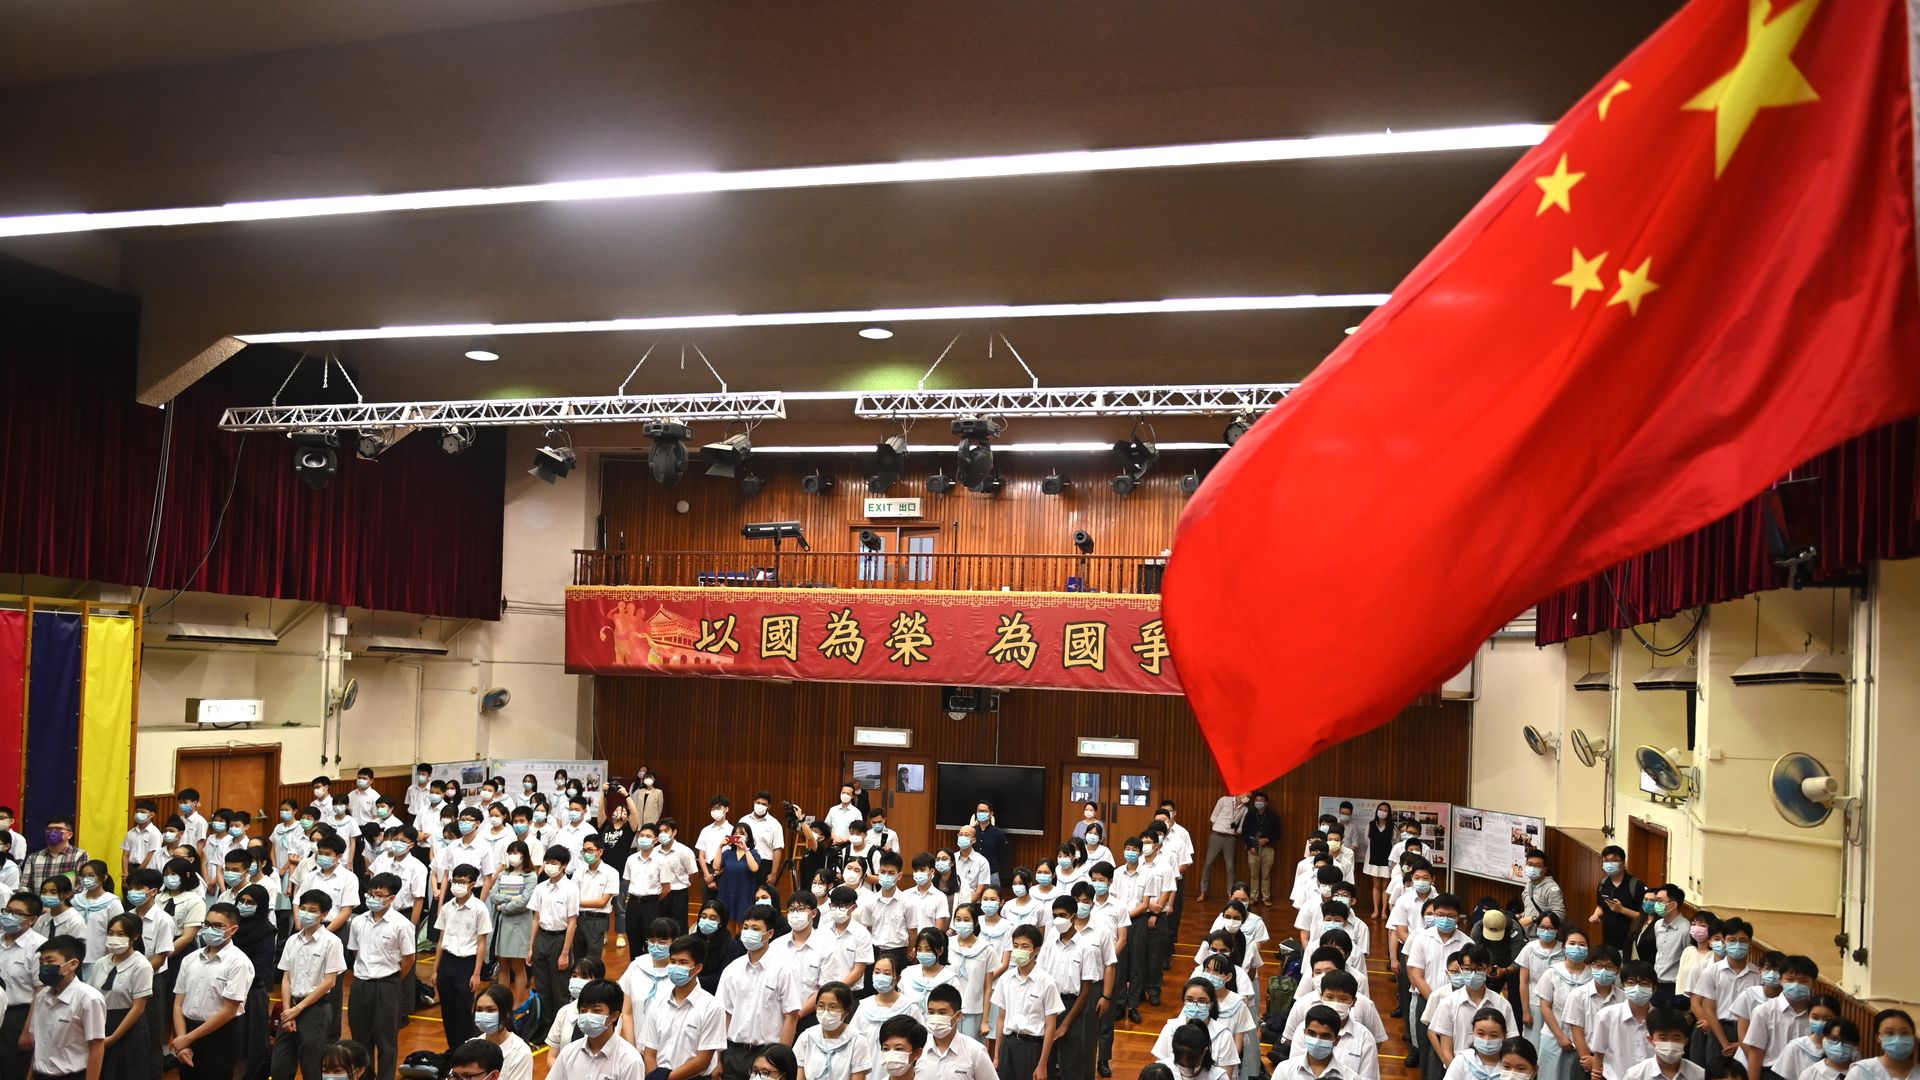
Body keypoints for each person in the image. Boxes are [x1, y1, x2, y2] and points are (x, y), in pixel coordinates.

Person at [171, 902, 253, 1080]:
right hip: (187, 1030)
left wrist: (187, 1039)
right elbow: (178, 1004)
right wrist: (183, 1040)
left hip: (220, 1035)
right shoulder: (190, 959)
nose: (210, 929)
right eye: (207, 924)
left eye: (218, 926)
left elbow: (229, 1011)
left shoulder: (239, 962)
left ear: (232, 929)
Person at [716, 904, 798, 1080]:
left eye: (755, 928)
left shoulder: (784, 970)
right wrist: (717, 1059)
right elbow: (725, 1016)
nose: (748, 932)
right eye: (745, 927)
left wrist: (780, 1058)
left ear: (769, 934)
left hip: (767, 1055)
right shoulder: (732, 969)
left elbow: (791, 1016)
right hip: (733, 1053)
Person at [347, 873, 416, 1080]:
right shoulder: (358, 922)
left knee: (386, 1043)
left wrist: (391, 979)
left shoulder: (401, 924)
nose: (373, 898)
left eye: (379, 895)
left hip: (387, 986)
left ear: (391, 898)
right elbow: (354, 951)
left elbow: (409, 959)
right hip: (359, 985)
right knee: (360, 1040)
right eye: (371, 893)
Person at [274, 889, 347, 1080]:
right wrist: (288, 1011)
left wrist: (298, 1009)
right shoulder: (292, 941)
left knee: (312, 1067)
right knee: (279, 1068)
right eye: (303, 908)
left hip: (315, 1009)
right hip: (290, 1009)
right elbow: (286, 978)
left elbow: (329, 982)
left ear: (323, 914)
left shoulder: (332, 942)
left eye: (312, 910)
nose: (305, 913)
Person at [638, 935, 725, 1080]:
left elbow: (703, 1060)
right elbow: (650, 1051)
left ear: (697, 968)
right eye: (673, 962)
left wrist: (667, 1078)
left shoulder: (712, 1007)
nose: (676, 967)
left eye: (683, 963)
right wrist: (654, 1076)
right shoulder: (658, 1002)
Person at [22, 934, 105, 1080]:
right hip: (40, 1074)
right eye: (41, 962)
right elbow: (39, 1046)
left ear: (73, 964)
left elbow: (97, 1048)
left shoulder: (89, 999)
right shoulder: (41, 997)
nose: (44, 967)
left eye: (50, 961)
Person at [990, 924, 1060, 1080]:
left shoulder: (1047, 982)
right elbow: (1001, 1017)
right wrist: (997, 1056)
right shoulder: (1006, 979)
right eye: (1016, 946)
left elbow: (1050, 1026)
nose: (1019, 950)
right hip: (1008, 1045)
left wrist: (1042, 1064)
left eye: (1024, 946)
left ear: (1036, 950)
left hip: (1032, 1048)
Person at [437, 863, 493, 1052]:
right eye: (455, 881)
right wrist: (436, 970)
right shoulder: (447, 907)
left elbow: (482, 943)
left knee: (464, 1011)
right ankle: (454, 1051)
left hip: (467, 963)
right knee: (447, 1011)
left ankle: (469, 1051)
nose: (457, 885)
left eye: (462, 881)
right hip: (447, 961)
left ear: (473, 884)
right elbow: (441, 939)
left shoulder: (479, 909)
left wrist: (477, 973)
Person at [90, 913, 153, 1079]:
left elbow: (138, 1007)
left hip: (127, 1026)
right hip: (101, 1021)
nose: (114, 938)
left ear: (135, 936)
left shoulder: (141, 965)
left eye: (121, 934)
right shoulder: (100, 963)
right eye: (111, 933)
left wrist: (113, 1038)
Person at [528, 846, 580, 1043]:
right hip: (542, 937)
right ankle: (546, 1027)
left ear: (564, 866)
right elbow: (536, 918)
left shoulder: (571, 889)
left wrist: (565, 953)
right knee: (543, 989)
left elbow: (573, 922)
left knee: (560, 989)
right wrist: (531, 947)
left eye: (554, 863)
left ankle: (561, 1031)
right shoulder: (540, 888)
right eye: (547, 862)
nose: (549, 866)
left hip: (560, 939)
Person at [547, 979, 645, 1080]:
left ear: (614, 1016)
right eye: (583, 1011)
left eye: (596, 1010)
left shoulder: (630, 1060)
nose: (588, 1015)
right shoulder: (567, 1053)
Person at [1744, 956, 1820, 1080]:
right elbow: (1755, 1056)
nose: (1796, 985)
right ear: (1780, 980)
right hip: (1772, 1074)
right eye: (1790, 979)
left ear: (1813, 983)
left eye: (1803, 981)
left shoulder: (1818, 1016)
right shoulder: (1764, 1012)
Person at [1589, 960, 1660, 1080]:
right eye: (1631, 983)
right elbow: (1599, 1053)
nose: (1637, 988)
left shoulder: (1661, 1019)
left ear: (1654, 988)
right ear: (1623, 985)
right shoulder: (1606, 1016)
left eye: (1644, 983)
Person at [916, 981, 995, 1080]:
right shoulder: (918, 1049)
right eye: (931, 1012)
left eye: (942, 1013)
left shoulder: (976, 1051)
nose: (935, 1017)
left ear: (958, 1016)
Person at [468, 982, 535, 1080]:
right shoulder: (471, 1045)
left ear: (507, 1013)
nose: (483, 1015)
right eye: (479, 1010)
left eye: (490, 1010)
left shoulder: (520, 1052)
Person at [1200, 793, 1249, 902]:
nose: (1247, 798)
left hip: (1230, 838)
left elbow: (1241, 826)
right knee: (1208, 863)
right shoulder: (1224, 800)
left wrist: (1236, 831)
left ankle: (1230, 894)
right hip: (1216, 835)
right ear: (1240, 793)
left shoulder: (1245, 809)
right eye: (1246, 794)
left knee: (1230, 867)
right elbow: (1213, 816)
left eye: (1249, 796)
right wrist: (1217, 828)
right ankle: (1203, 892)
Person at [26, 817, 88, 896]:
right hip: (39, 905)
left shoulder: (80, 855)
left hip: (68, 905)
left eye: (58, 829)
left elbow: (82, 886)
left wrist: (63, 904)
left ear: (69, 834)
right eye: (49, 829)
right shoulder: (33, 857)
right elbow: (25, 887)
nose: (52, 832)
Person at [1238, 795, 1282, 907]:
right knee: (1254, 875)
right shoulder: (1250, 815)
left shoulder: (1273, 815)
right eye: (1256, 800)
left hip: (1268, 849)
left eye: (1261, 800)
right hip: (1253, 849)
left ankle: (1266, 898)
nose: (1258, 802)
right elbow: (1244, 832)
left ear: (1266, 803)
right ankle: (1253, 898)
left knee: (1266, 875)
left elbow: (1278, 831)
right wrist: (1250, 846)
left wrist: (1267, 839)